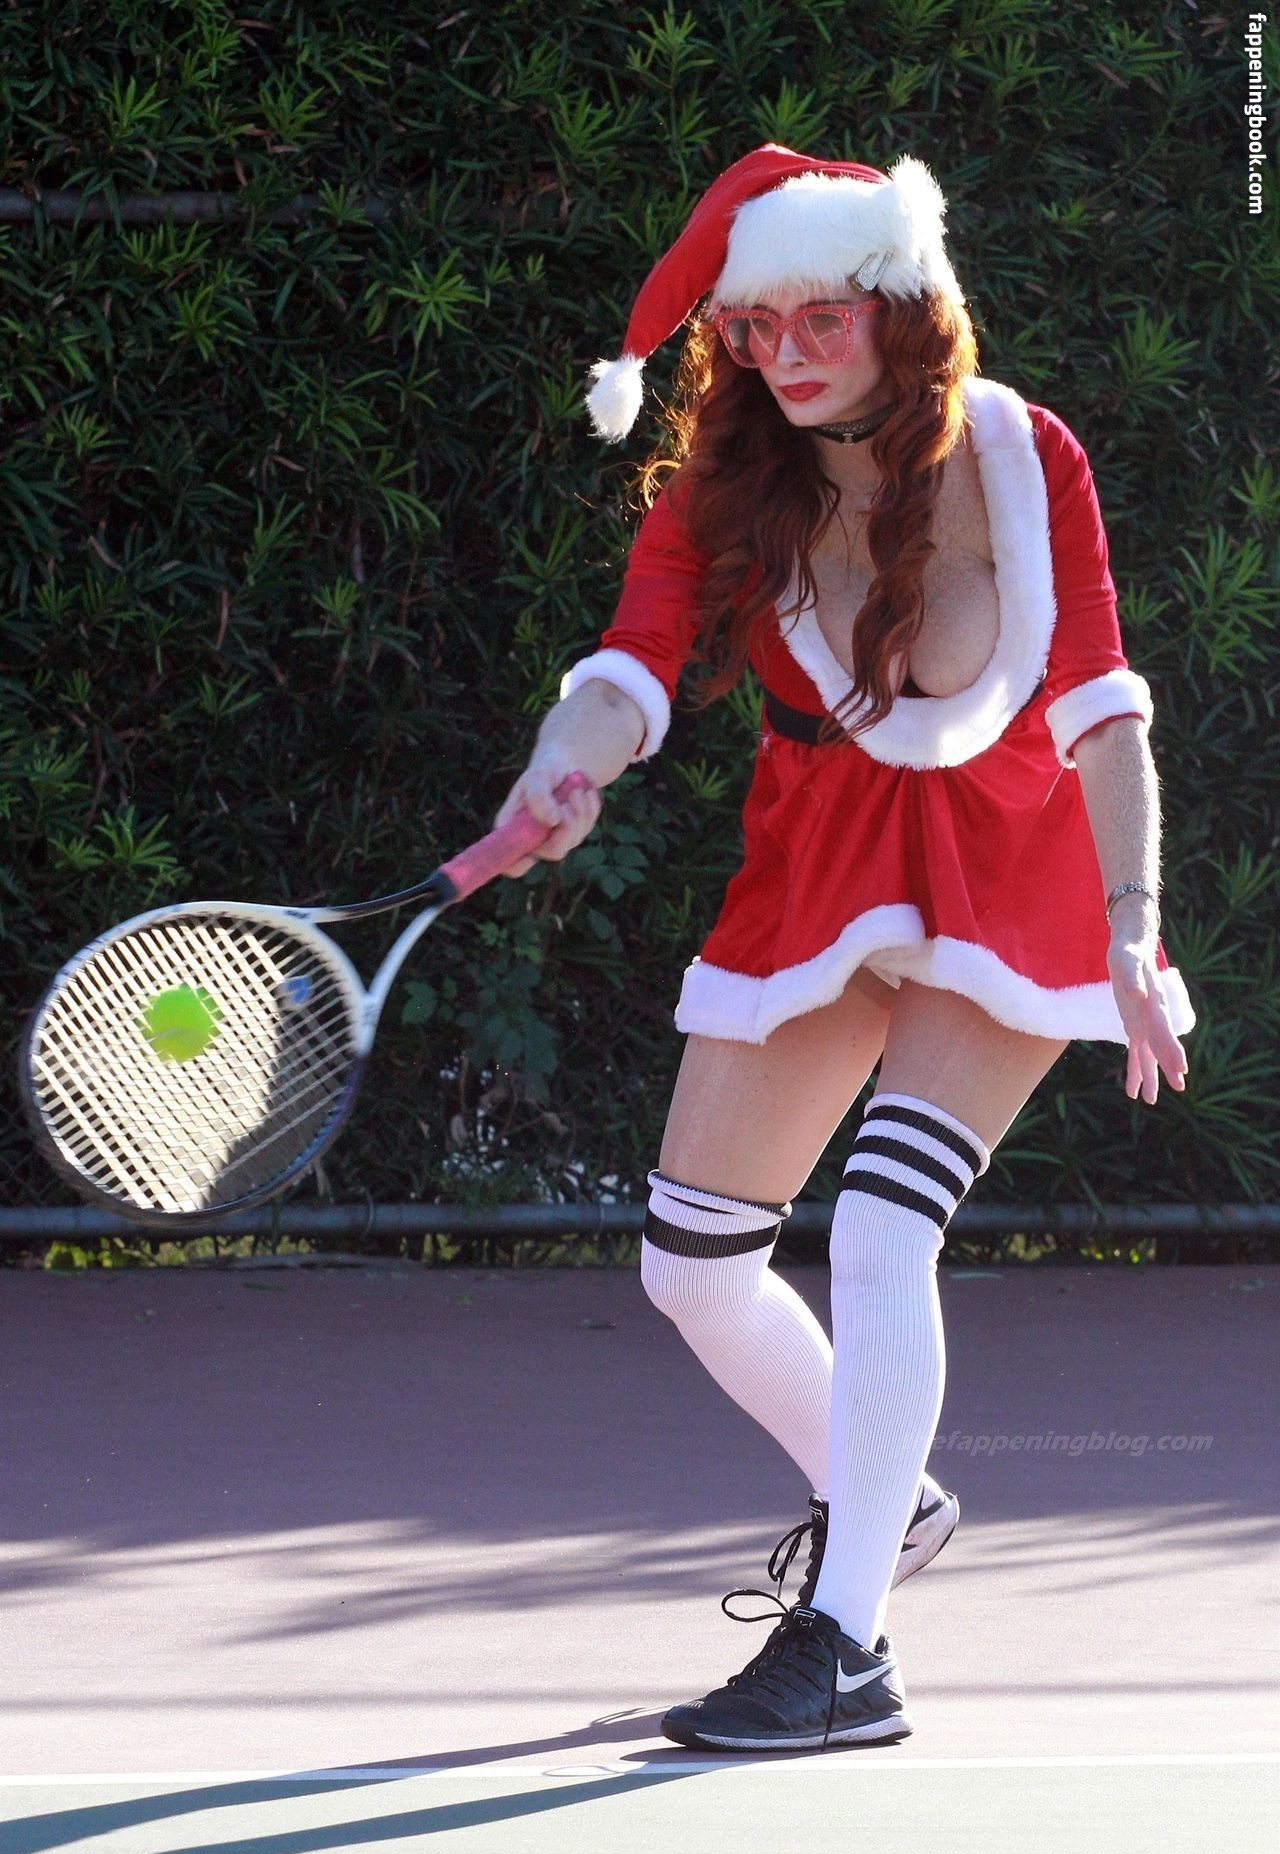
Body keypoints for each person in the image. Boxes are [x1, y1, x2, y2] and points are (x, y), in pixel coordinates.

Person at [492, 145, 1196, 1752]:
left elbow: (1103, 708)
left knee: (883, 1226)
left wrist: (1133, 927)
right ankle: (883, 1495)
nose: (788, 352)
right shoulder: (728, 484)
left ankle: (850, 1648)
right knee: (689, 1267)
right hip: (820, 865)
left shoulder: (1022, 453)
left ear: (901, 305)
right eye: (756, 326)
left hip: (1008, 866)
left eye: (824, 315)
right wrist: (564, 765)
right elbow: (630, 664)